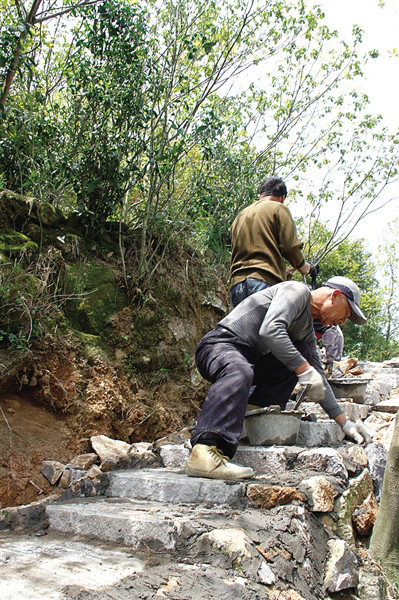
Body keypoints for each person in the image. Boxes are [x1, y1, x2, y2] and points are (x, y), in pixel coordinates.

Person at [185, 276, 371, 480]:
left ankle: (253, 414)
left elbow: (318, 376)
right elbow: (270, 330)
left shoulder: (307, 330)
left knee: (302, 353)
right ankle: (204, 451)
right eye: (345, 314)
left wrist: (345, 424)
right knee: (241, 369)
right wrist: (303, 370)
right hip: (220, 346)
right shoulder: (297, 291)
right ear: (335, 296)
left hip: (251, 359)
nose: (343, 322)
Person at [230, 176, 311, 308]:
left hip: (237, 285)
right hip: (263, 284)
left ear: (260, 195)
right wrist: (302, 266)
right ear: (282, 198)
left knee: (244, 328)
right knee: (268, 328)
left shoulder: (240, 216)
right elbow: (290, 246)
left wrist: (281, 273)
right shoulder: (279, 208)